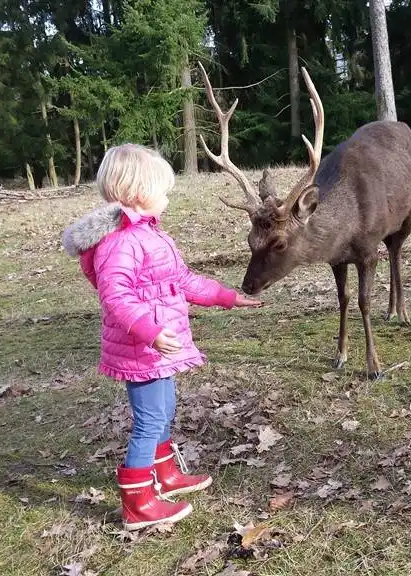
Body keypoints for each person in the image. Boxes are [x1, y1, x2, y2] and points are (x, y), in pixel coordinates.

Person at [61, 144, 261, 531]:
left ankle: (164, 474)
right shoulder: (121, 243)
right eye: (163, 191)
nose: (168, 198)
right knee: (150, 420)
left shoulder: (147, 234)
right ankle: (137, 503)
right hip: (141, 349)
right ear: (138, 192)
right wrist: (150, 332)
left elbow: (181, 279)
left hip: (156, 349)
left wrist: (225, 297)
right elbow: (116, 297)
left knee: (164, 410)